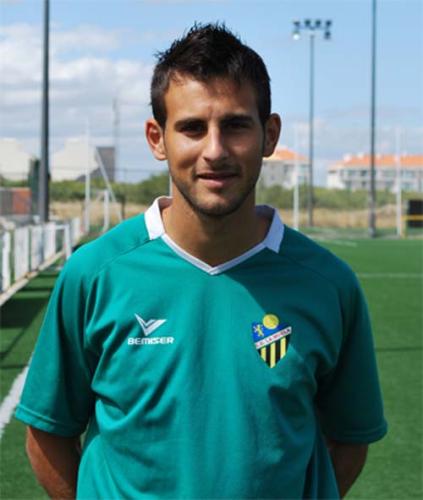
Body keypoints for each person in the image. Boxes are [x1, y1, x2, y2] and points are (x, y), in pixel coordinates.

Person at [16, 23, 387, 499]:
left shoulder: (328, 284)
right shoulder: (94, 274)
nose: (215, 150)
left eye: (235, 125)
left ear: (269, 135)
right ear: (157, 138)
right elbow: (47, 434)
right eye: (192, 128)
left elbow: (350, 440)